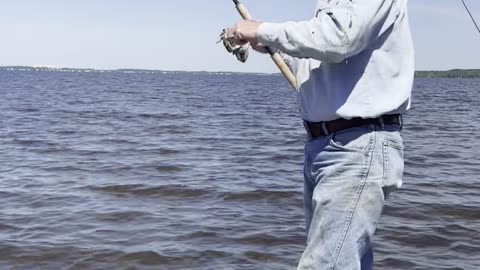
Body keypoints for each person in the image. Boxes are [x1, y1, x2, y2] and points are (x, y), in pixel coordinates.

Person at [225, 0, 414, 269]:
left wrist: (263, 31)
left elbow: (338, 37)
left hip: (357, 147)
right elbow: (321, 60)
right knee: (344, 260)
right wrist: (271, 44)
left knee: (324, 263)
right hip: (323, 148)